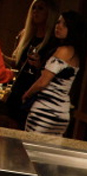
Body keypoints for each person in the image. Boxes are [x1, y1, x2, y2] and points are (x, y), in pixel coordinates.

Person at [23, 11, 84, 135]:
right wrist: (40, 66)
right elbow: (58, 78)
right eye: (58, 22)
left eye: (65, 25)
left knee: (30, 148)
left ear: (73, 29)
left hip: (45, 109)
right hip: (61, 111)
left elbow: (43, 82)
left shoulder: (63, 50)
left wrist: (27, 94)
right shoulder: (75, 54)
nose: (59, 26)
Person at [5, 0, 59, 129]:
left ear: (49, 14)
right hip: (18, 89)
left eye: (40, 8)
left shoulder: (53, 42)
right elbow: (18, 63)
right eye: (33, 8)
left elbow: (52, 73)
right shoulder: (26, 35)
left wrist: (39, 65)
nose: (35, 11)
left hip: (34, 92)